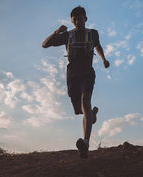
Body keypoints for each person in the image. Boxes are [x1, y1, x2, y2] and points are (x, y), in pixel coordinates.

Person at [42, 6, 110, 158]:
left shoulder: (92, 33)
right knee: (79, 111)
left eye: (80, 18)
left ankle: (85, 143)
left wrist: (103, 59)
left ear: (85, 18)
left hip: (87, 74)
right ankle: (92, 115)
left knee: (85, 101)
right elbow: (45, 45)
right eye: (74, 20)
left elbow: (97, 45)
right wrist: (56, 32)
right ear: (72, 21)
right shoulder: (67, 35)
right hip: (72, 76)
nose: (78, 21)